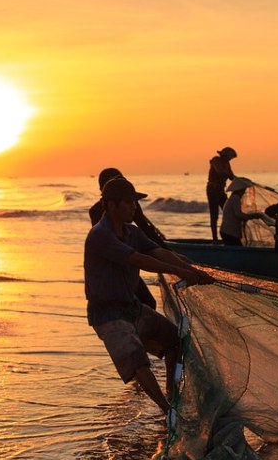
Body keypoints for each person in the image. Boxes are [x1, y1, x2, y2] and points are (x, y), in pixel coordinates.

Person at [84, 176, 214, 413]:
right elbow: (139, 260)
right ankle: (167, 411)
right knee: (138, 363)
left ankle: (171, 395)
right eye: (129, 202)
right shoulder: (100, 235)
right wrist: (178, 271)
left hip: (132, 307)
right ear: (111, 205)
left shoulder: (132, 232)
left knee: (176, 341)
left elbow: (158, 252)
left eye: (135, 202)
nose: (134, 206)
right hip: (107, 314)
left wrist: (192, 270)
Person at [87, 167, 184, 310]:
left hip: (129, 264)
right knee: (137, 304)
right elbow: (138, 238)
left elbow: (145, 232)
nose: (132, 205)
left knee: (147, 303)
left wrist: (170, 254)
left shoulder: (129, 207)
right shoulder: (98, 216)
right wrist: (176, 267)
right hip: (114, 269)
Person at [219, 177, 265, 246]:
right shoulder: (235, 198)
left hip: (226, 231)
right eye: (243, 190)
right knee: (237, 249)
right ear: (240, 190)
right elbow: (238, 215)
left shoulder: (232, 198)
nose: (244, 192)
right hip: (229, 232)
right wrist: (253, 216)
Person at [205, 147, 237, 243]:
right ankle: (215, 239)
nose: (230, 159)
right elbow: (220, 172)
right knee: (214, 215)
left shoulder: (227, 163)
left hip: (221, 190)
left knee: (228, 211)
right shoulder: (216, 160)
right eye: (229, 157)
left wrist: (242, 181)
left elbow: (232, 177)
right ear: (225, 155)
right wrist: (229, 175)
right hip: (212, 190)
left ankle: (229, 236)